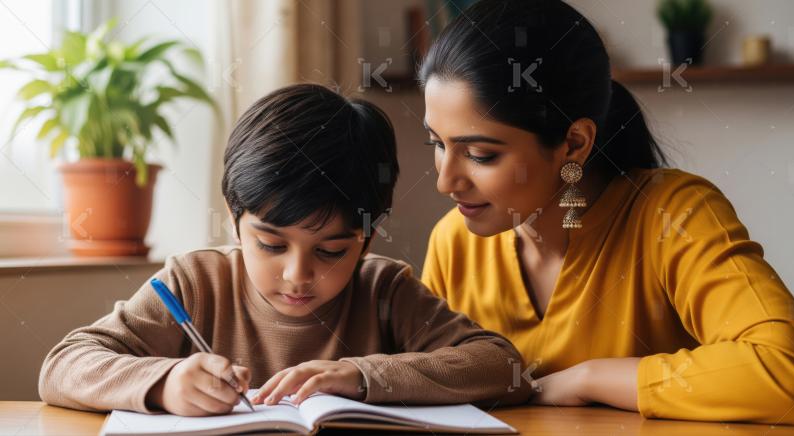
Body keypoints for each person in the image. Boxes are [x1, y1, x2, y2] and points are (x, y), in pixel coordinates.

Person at [38, 83, 531, 416]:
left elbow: (503, 366)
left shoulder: (385, 289)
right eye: (272, 244)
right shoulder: (194, 284)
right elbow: (64, 364)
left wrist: (361, 375)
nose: (298, 275)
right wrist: (163, 383)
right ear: (234, 222)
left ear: (366, 240)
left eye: (332, 251)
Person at [419, 0, 794, 425]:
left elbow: (786, 371)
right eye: (437, 144)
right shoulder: (453, 242)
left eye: (480, 154)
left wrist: (588, 379)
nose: (444, 181)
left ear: (575, 143)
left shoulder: (673, 216)